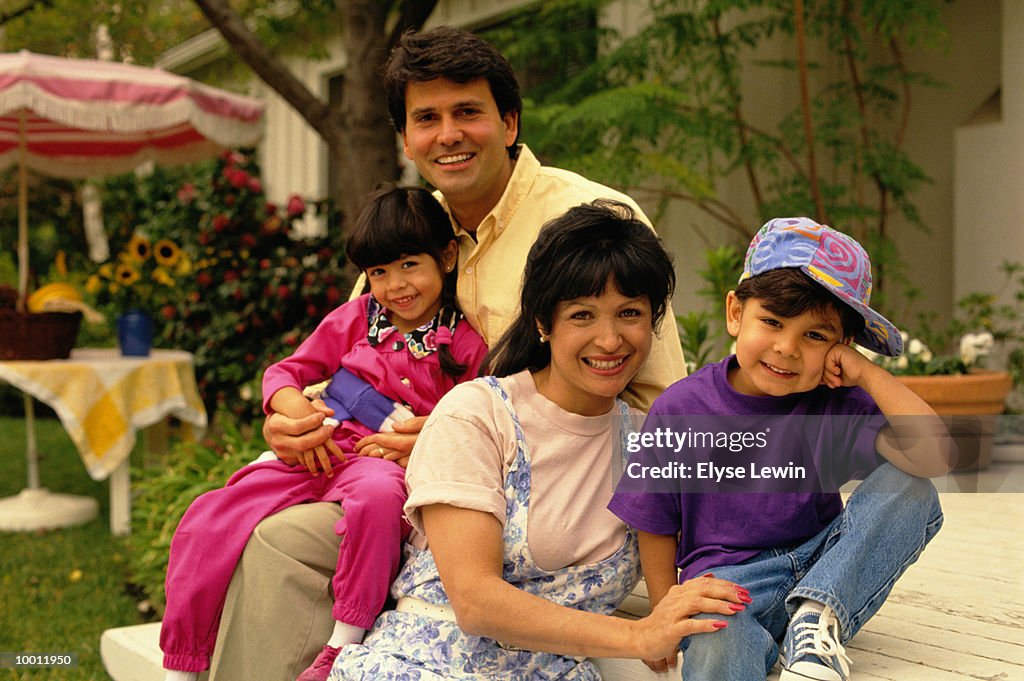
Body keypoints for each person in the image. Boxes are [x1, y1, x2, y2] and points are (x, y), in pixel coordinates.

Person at [207, 27, 687, 679]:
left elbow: (654, 403)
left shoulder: (590, 221)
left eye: (468, 112)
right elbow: (353, 356)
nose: (448, 134)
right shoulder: (409, 230)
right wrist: (294, 414)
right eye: (426, 119)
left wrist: (464, 433)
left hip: (538, 497)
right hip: (399, 483)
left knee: (288, 543)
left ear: (509, 121)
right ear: (406, 139)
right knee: (268, 535)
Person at [327, 200, 746, 679]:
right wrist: (638, 635)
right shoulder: (479, 415)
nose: (610, 340)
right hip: (426, 666)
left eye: (629, 313)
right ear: (543, 323)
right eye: (582, 316)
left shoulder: (649, 444)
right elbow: (475, 602)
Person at [159, 185, 487, 681]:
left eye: (408, 266)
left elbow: (476, 421)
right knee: (208, 516)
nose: (396, 285)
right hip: (322, 447)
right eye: (378, 272)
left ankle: (342, 641)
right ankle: (182, 664)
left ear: (445, 256)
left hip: (383, 461)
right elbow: (285, 373)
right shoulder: (357, 319)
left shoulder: (463, 343)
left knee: (379, 498)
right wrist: (298, 414)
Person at [608, 217, 949, 681]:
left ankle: (815, 617)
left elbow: (935, 458)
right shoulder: (682, 407)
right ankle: (782, 636)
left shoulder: (836, 403)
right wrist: (664, 613)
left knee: (911, 486)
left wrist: (867, 373)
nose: (787, 348)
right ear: (735, 313)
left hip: (823, 565)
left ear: (840, 346)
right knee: (716, 642)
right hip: (726, 586)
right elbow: (654, 521)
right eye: (771, 322)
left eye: (815, 335)